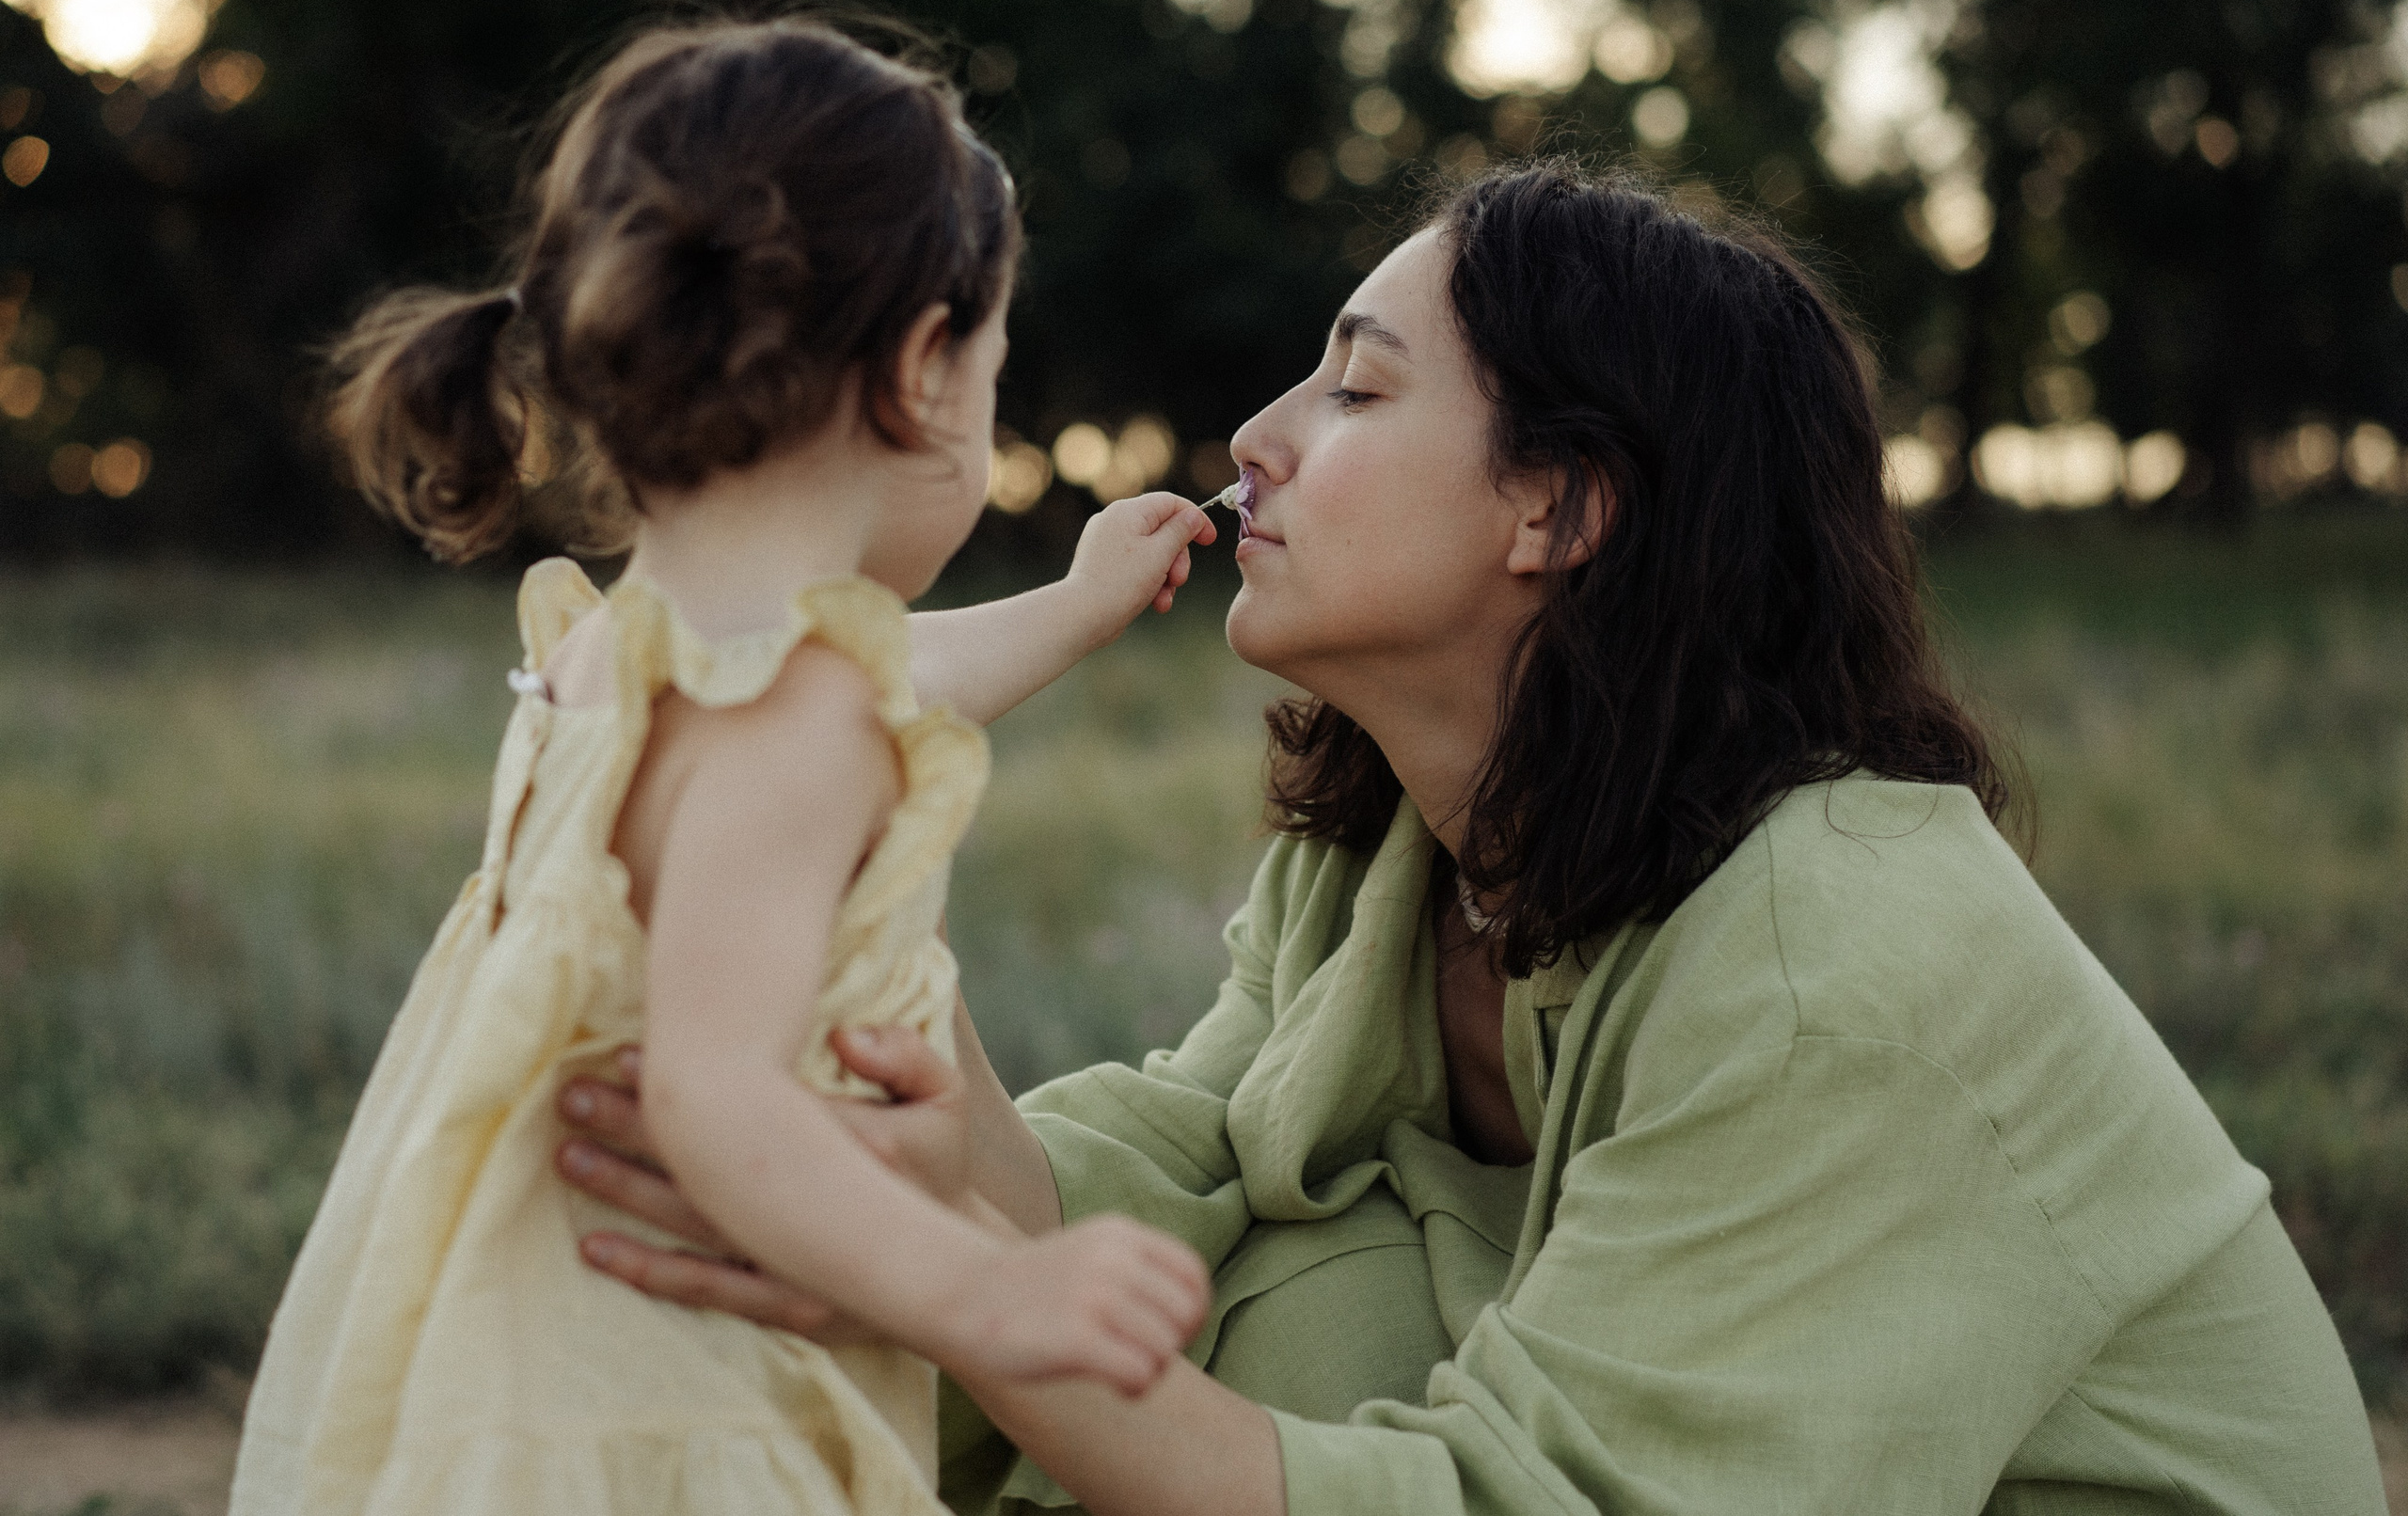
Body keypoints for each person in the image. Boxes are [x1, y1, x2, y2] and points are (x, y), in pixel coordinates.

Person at [559, 158, 2389, 1515]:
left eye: (1355, 388)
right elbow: (1177, 1162)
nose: (1255, 438)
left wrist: (957, 1293)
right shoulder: (1401, 841)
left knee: (1276, 1320)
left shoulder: (1831, 964)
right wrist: (871, 954)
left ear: (1560, 506)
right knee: (1274, 1270)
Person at [229, 16, 1224, 1516]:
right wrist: (990, 1295)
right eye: (995, 373)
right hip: (679, 1395)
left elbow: (896, 672)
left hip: (521, 1355)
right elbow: (717, 1101)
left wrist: (1078, 606)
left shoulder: (624, 653)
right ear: (922, 370)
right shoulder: (798, 717)